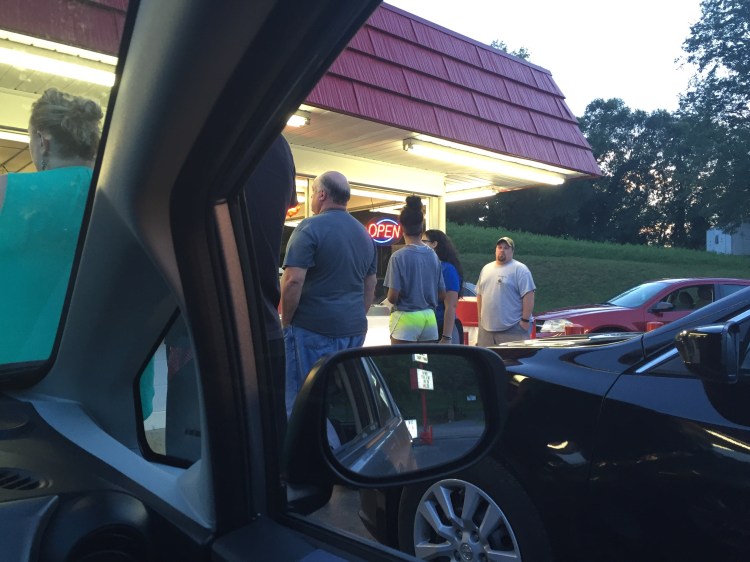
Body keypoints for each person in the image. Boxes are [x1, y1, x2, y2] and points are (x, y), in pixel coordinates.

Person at [0, 88, 102, 364]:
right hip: (111, 372)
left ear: (43, 140)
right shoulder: (123, 196)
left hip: (20, 370)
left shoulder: (7, 192)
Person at [281, 170, 376, 416]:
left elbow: (292, 281)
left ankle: (305, 440)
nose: (312, 198)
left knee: (302, 400)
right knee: (336, 400)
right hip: (353, 332)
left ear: (322, 195)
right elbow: (370, 285)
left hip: (312, 330)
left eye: (313, 193)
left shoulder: (309, 227)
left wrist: (286, 322)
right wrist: (353, 315)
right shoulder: (364, 234)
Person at [240, 135, 297, 437]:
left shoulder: (202, 127)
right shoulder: (279, 145)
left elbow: (294, 279)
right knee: (267, 439)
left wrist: (289, 322)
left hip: (206, 330)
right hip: (266, 327)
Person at [383, 196, 445, 344]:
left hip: (406, 318)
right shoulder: (433, 255)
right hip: (429, 319)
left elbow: (392, 297)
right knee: (424, 359)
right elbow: (442, 294)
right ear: (421, 228)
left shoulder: (398, 257)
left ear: (401, 228)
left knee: (402, 359)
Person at [476, 236, 536, 346]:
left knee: (513, 357)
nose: (502, 250)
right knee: (485, 357)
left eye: (506, 248)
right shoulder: (486, 269)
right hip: (486, 330)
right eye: (499, 247)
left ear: (512, 251)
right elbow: (480, 294)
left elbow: (529, 295)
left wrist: (525, 321)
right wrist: (480, 319)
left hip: (513, 329)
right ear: (495, 250)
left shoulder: (520, 269)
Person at [423, 229, 464, 344]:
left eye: (424, 241)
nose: (420, 244)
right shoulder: (427, 267)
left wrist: (446, 336)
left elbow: (451, 305)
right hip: (429, 327)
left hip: (443, 328)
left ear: (434, 244)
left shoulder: (447, 269)